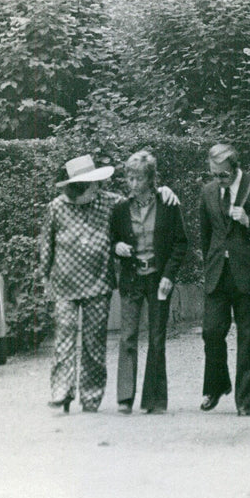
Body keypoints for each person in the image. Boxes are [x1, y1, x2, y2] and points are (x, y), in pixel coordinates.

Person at [39, 154, 179, 413]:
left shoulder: (109, 203)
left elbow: (143, 198)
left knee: (94, 344)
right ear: (77, 187)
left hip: (98, 284)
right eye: (90, 185)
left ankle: (91, 397)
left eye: (96, 183)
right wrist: (45, 279)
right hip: (64, 286)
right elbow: (46, 246)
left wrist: (164, 190)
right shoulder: (57, 207)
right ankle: (62, 393)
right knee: (64, 339)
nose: (96, 188)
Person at [198, 144, 250, 416]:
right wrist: (209, 264)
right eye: (214, 174)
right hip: (217, 274)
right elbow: (205, 233)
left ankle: (245, 401)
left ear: (235, 168)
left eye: (222, 175)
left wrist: (249, 220)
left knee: (248, 338)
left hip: (248, 274)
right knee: (211, 332)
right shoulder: (209, 191)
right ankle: (217, 385)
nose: (218, 180)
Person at [110, 151, 188, 415]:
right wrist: (116, 246)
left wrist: (169, 275)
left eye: (139, 179)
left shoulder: (167, 204)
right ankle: (124, 398)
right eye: (129, 178)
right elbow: (110, 239)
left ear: (151, 179)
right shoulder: (120, 208)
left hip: (158, 279)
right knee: (128, 337)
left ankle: (155, 400)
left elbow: (180, 242)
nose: (133, 184)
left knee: (157, 338)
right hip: (132, 279)